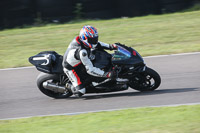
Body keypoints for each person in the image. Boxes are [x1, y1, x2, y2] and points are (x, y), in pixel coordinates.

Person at [62, 25, 118, 97]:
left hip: (78, 61)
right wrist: (107, 74)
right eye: (92, 40)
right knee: (80, 91)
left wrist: (111, 46)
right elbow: (90, 70)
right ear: (84, 38)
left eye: (95, 39)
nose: (94, 41)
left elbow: (98, 44)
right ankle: (69, 86)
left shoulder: (81, 40)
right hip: (70, 67)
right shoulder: (82, 52)